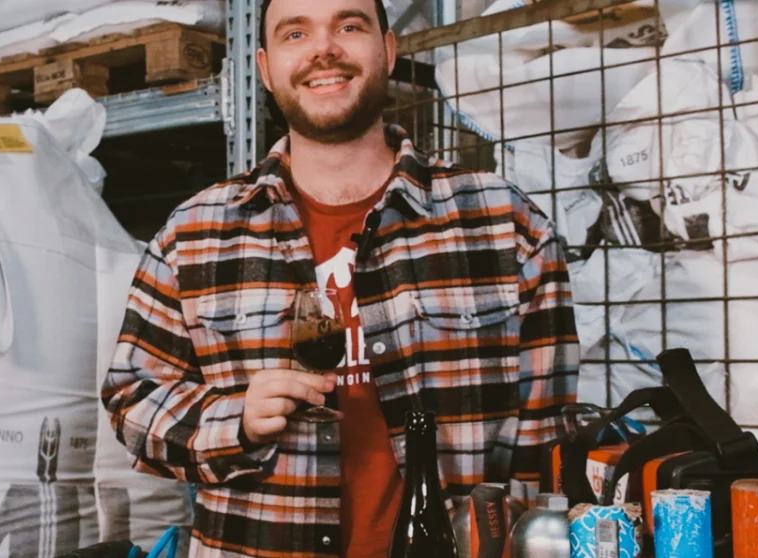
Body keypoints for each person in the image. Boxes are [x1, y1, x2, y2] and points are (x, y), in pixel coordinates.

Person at [101, 0, 580, 554]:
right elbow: (131, 402)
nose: (323, 49)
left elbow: (545, 440)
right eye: (295, 32)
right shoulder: (194, 235)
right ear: (264, 68)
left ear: (389, 49)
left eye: (349, 26)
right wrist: (236, 420)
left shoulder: (502, 222)